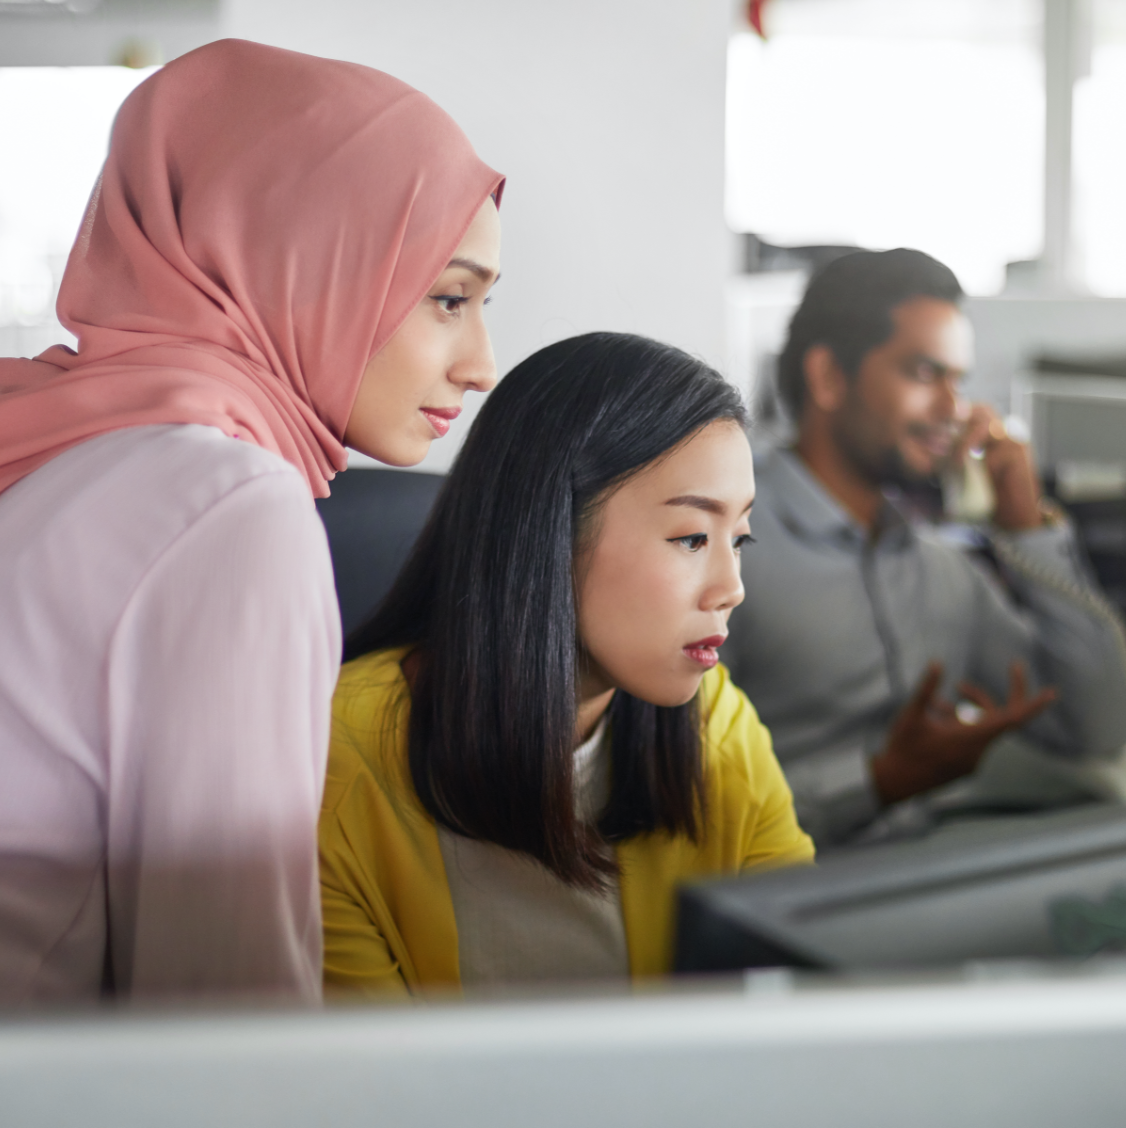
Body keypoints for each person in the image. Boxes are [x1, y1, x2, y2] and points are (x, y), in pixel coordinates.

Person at [0, 40, 503, 1008]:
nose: (481, 364)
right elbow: (229, 1008)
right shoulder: (229, 507)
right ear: (306, 263)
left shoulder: (11, 437)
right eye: (449, 299)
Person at [320, 333, 814, 996]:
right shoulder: (332, 760)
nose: (732, 587)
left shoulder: (718, 727)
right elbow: (366, 1060)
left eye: (740, 539)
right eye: (693, 538)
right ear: (549, 531)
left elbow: (795, 1001)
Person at [720, 249, 1126, 847]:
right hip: (782, 890)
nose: (954, 410)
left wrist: (1028, 527)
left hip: (927, 874)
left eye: (957, 381)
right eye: (922, 374)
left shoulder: (939, 569)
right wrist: (878, 782)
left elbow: (1095, 727)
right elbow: (675, 809)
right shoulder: (726, 553)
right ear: (829, 377)